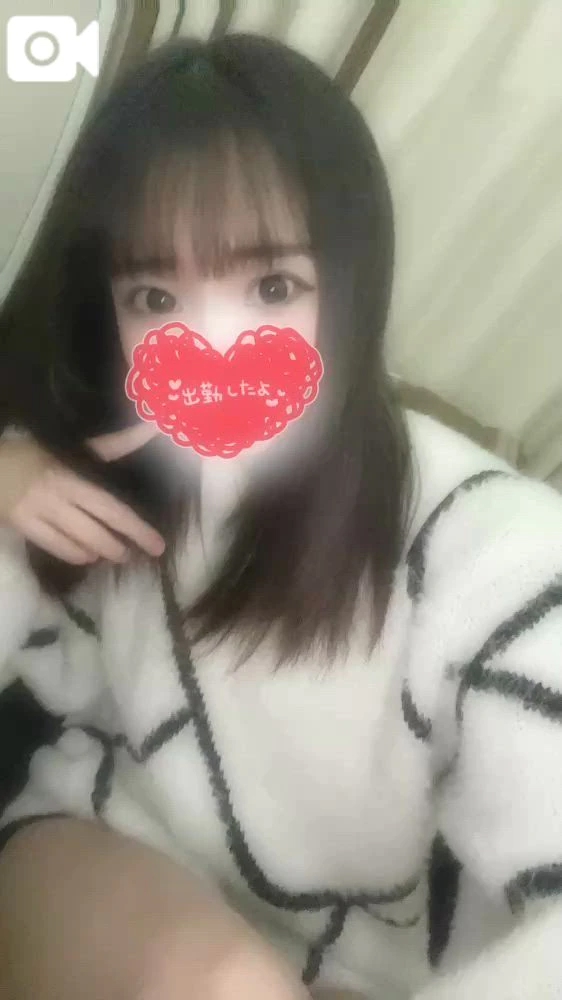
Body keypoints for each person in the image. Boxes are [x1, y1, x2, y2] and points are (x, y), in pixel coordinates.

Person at [0, 33, 561, 1000]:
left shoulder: (483, 545)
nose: (213, 343)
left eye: (271, 287)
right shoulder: (100, 463)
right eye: (155, 294)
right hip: (109, 837)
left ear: (351, 286)